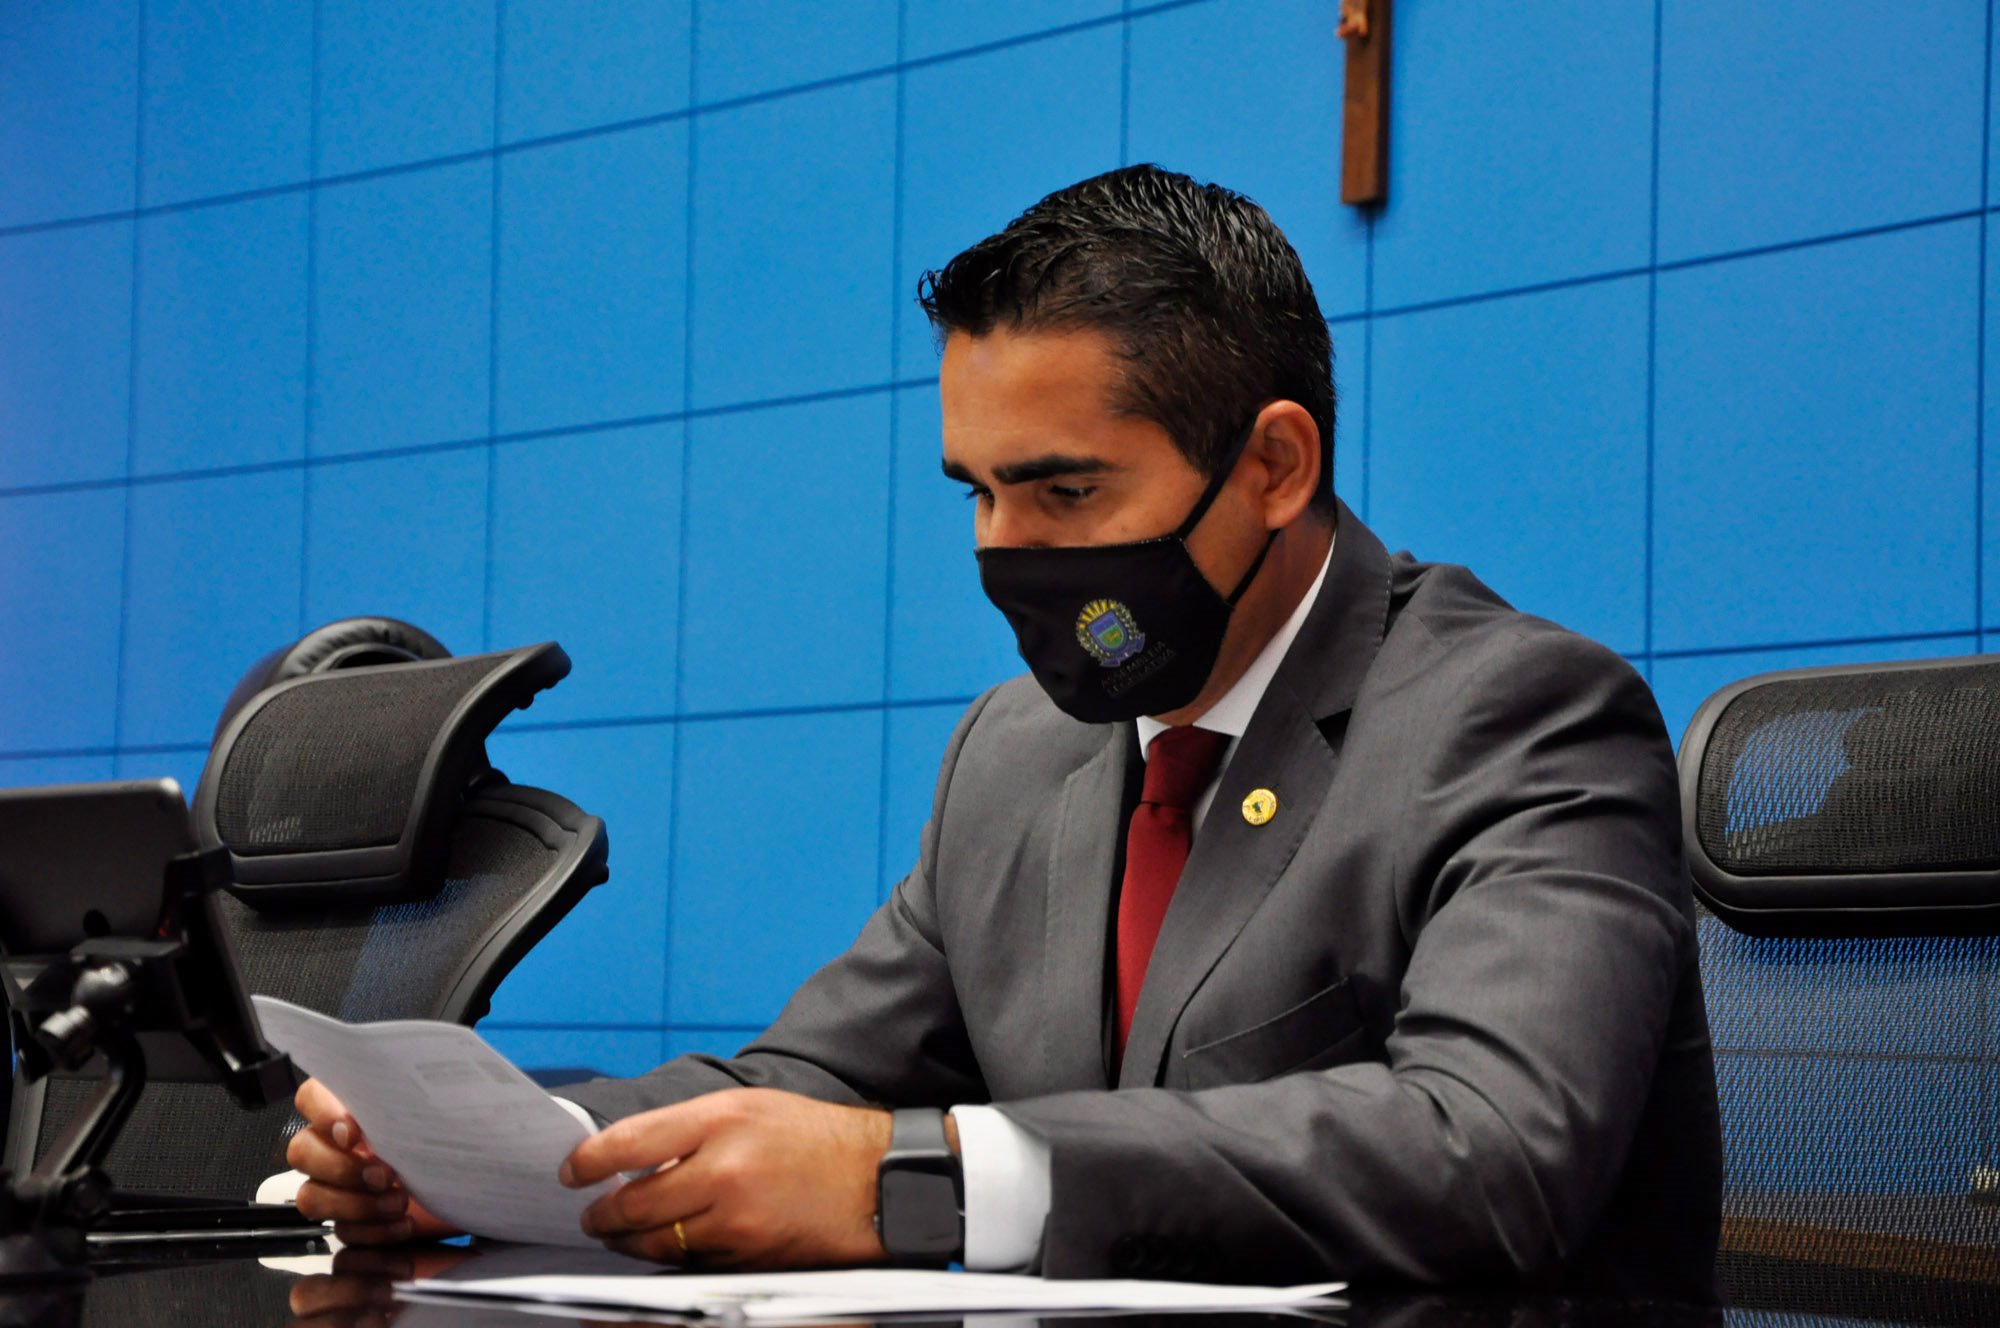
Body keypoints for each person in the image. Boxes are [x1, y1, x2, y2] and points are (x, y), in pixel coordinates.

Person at [285, 165, 1723, 1297]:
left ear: (1275, 465)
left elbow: (1492, 1147)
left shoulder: (1521, 717)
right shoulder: (1020, 749)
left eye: (1065, 493)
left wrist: (919, 1182)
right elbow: (815, 1082)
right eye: (977, 492)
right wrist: (491, 1152)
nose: (1004, 550)